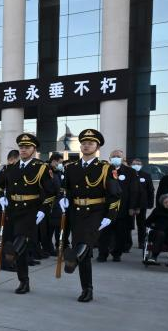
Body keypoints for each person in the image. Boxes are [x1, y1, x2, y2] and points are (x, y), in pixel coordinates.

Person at [59, 129, 121, 302]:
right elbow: (66, 190)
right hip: (76, 213)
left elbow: (115, 194)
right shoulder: (72, 167)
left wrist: (110, 215)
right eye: (84, 143)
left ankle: (73, 259)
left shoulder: (105, 168)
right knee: (83, 251)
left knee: (84, 244)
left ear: (97, 146)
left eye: (90, 143)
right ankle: (86, 288)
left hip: (96, 213)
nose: (86, 146)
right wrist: (62, 200)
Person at [0, 134, 56, 293]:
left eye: (27, 147)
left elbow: (51, 192)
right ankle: (23, 280)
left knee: (20, 241)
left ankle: (13, 257)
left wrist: (43, 210)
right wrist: (1, 198)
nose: (23, 149)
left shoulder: (42, 167)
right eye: (21, 147)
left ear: (34, 149)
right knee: (18, 247)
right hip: (11, 210)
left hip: (30, 210)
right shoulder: (10, 167)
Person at [97, 149, 140, 262]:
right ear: (110, 159)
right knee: (104, 232)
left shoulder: (130, 172)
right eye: (114, 156)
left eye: (118, 156)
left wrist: (132, 207)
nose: (116, 158)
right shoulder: (103, 170)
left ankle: (117, 254)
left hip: (123, 208)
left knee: (121, 233)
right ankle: (102, 254)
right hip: (106, 208)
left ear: (122, 159)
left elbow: (134, 191)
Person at [40, 152, 64, 257]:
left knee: (53, 227)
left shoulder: (57, 171)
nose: (60, 165)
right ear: (53, 161)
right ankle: (46, 248)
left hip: (56, 204)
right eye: (59, 162)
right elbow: (48, 187)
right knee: (46, 229)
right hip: (47, 204)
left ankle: (50, 248)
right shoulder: (46, 170)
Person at [130, 157, 155, 250]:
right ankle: (127, 243)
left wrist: (150, 203)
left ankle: (142, 242)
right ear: (131, 165)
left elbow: (150, 190)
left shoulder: (146, 175)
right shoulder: (128, 174)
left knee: (141, 224)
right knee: (129, 224)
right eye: (134, 164)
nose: (136, 165)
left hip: (142, 204)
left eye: (138, 164)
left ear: (141, 165)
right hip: (129, 204)